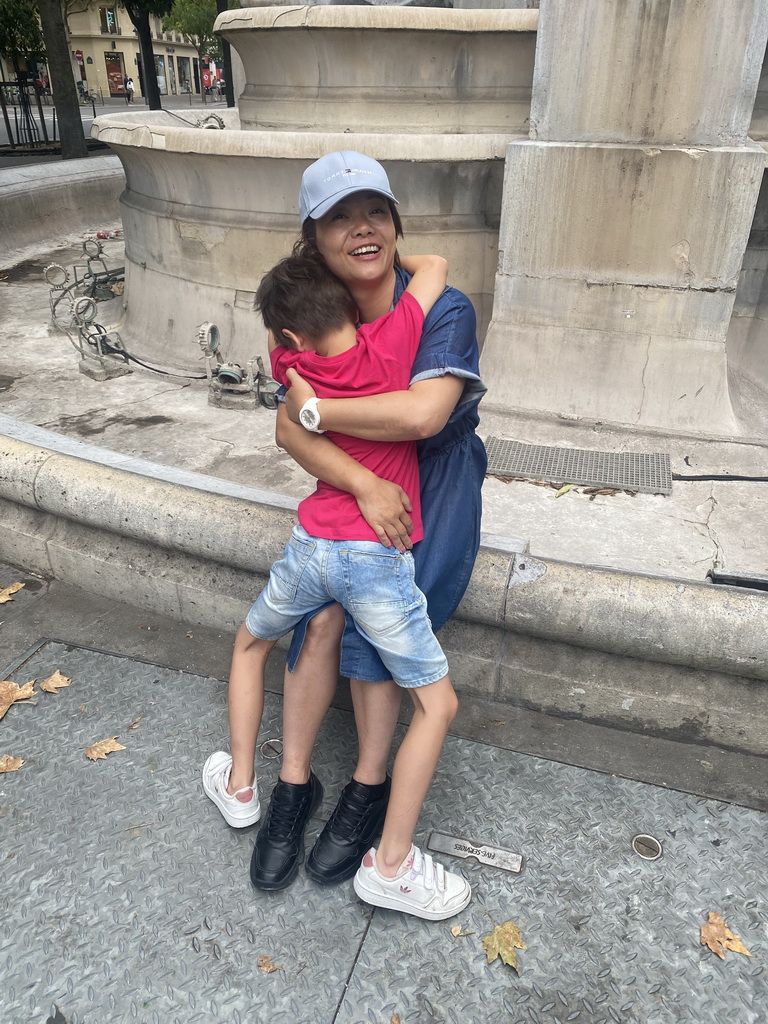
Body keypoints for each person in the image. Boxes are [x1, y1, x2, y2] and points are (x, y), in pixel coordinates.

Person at [246, 151, 487, 901]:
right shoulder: (310, 304)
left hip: (433, 480)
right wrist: (359, 479)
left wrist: (314, 409)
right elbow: (287, 436)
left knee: (381, 635)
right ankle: (293, 787)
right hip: (354, 483)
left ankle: (367, 786)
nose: (362, 229)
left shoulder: (439, 306)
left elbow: (422, 415)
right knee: (315, 622)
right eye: (340, 217)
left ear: (395, 221)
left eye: (376, 212)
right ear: (311, 236)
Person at [204, 248, 471, 919]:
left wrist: (305, 380)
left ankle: (241, 786)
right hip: (375, 556)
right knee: (436, 707)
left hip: (310, 546)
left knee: (249, 644)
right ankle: (391, 863)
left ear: (288, 338)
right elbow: (435, 267)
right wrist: (402, 254)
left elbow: (293, 391)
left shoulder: (294, 368)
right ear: (353, 307)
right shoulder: (394, 340)